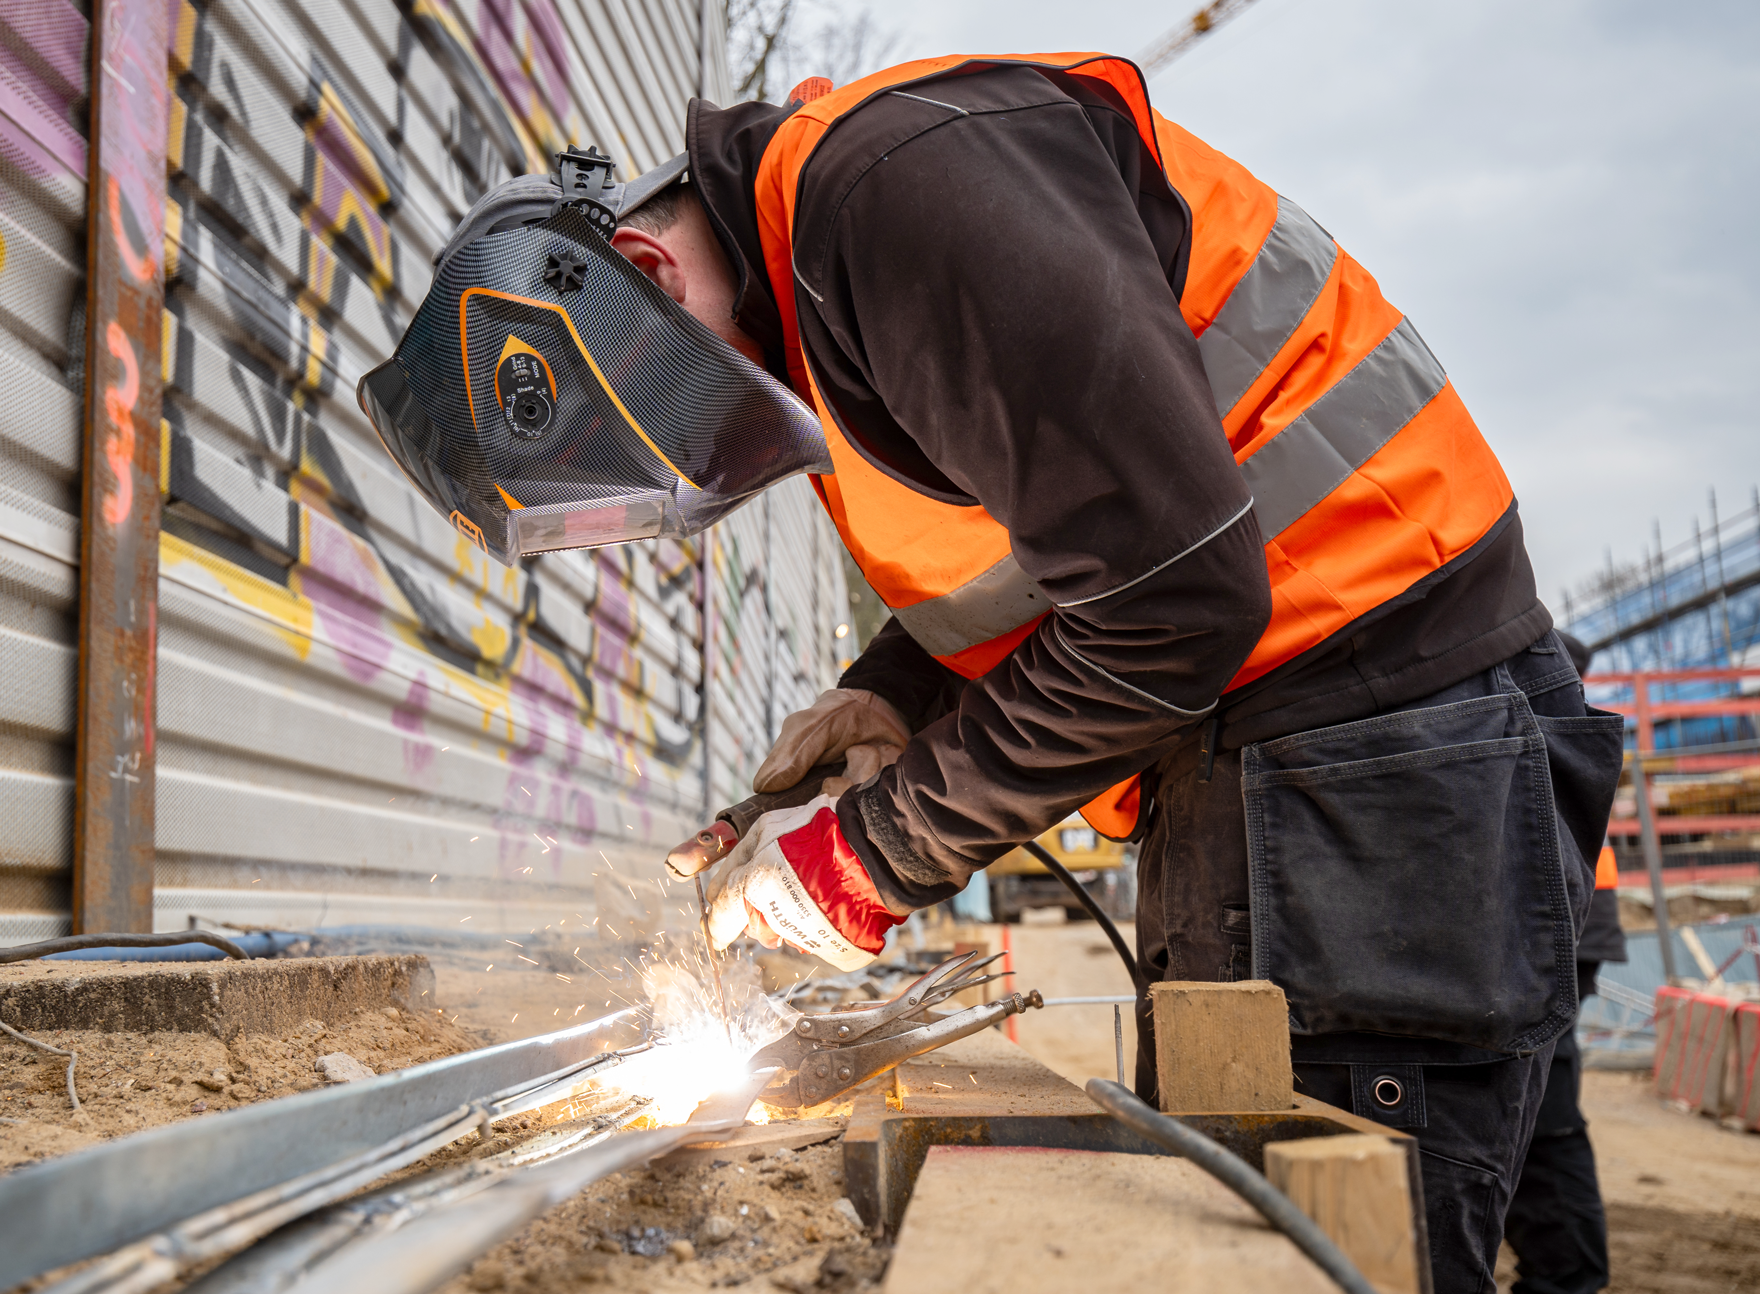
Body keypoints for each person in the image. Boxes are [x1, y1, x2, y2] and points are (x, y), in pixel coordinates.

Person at [357, 56, 1624, 1290]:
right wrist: (893, 694)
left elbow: (1173, 597)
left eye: (666, 445)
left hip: (1371, 766)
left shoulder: (897, 197)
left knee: (1323, 1241)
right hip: (1304, 754)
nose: (695, 478)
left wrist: (857, 864)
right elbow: (1075, 538)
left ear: (642, 271)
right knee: (1241, 1217)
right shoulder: (836, 273)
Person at [1501, 632, 1625, 1294]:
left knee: (1540, 1106)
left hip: (1553, 907)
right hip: (1563, 905)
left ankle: (1565, 1277)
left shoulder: (1528, 647)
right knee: (1535, 1095)